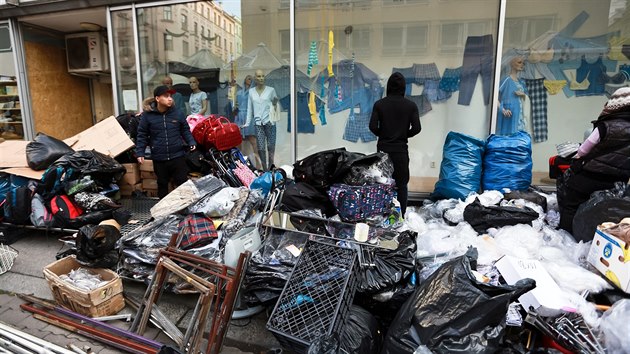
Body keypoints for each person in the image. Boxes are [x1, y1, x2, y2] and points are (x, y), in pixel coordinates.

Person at [557, 87, 630, 234]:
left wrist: (578, 156)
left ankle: (567, 235)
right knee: (606, 209)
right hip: (618, 181)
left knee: (571, 201)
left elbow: (583, 150)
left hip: (590, 177)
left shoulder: (605, 126)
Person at [369, 72, 421, 217]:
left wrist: (384, 135)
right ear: (404, 87)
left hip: (383, 152)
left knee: (382, 184)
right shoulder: (410, 106)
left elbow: (372, 127)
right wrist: (403, 135)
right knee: (401, 185)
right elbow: (417, 128)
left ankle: (382, 215)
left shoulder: (379, 104)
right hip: (400, 151)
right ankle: (400, 216)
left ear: (388, 87)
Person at [136, 85, 197, 199]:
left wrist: (191, 141)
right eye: (166, 96)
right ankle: (162, 213)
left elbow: (185, 129)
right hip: (159, 158)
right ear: (157, 99)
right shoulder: (147, 116)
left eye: (170, 96)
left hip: (177, 156)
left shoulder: (177, 113)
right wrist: (140, 152)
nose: (170, 98)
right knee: (162, 185)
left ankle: (186, 210)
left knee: (182, 184)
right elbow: (142, 135)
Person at [245, 69, 279, 170]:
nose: (261, 78)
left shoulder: (271, 90)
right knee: (260, 148)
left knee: (271, 146)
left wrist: (274, 103)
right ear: (255, 78)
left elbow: (275, 105)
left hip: (270, 122)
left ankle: (271, 166)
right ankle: (265, 169)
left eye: (263, 76)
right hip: (258, 123)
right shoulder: (251, 92)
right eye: (259, 76)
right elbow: (249, 108)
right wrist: (247, 123)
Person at [496, 56, 528, 135]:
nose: (522, 65)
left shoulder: (521, 82)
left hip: (520, 118)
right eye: (519, 62)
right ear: (512, 64)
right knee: (508, 140)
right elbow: (494, 96)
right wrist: (503, 110)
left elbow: (525, 100)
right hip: (509, 117)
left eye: (523, 63)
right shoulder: (506, 80)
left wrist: (523, 95)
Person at [234, 75, 260, 166]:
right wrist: (235, 107)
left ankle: (258, 161)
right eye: (248, 78)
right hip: (240, 116)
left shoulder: (254, 92)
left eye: (251, 79)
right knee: (238, 139)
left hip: (249, 116)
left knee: (252, 138)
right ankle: (238, 161)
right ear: (245, 80)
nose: (250, 80)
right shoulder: (239, 92)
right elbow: (234, 105)